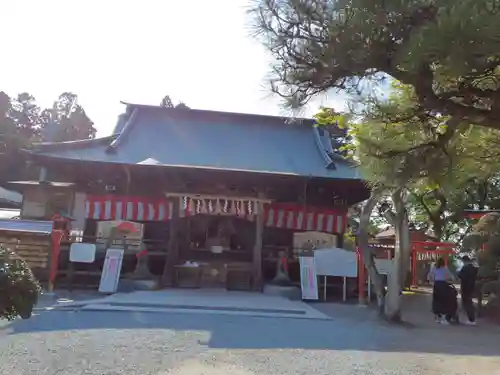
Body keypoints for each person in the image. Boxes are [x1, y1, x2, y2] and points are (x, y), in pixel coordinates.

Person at [427, 257, 454, 325]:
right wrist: (448, 279)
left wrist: (432, 281)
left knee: (436, 300)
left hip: (436, 285)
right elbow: (451, 277)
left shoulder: (434, 268)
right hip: (443, 285)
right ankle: (444, 317)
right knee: (444, 301)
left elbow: (429, 276)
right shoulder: (445, 269)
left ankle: (437, 317)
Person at [458, 255, 478, 326]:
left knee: (467, 303)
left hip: (465, 287)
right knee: (469, 302)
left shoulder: (465, 268)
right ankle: (472, 318)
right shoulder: (474, 268)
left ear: (464, 261)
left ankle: (471, 319)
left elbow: (460, 275)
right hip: (472, 287)